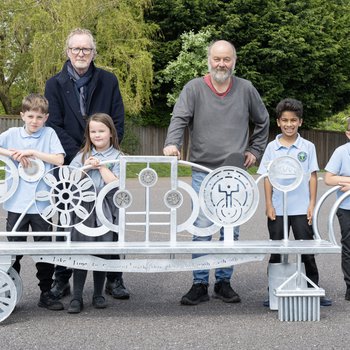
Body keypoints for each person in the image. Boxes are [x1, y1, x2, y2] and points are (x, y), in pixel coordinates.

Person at [163, 40, 270, 305]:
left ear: (234, 61)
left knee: (230, 229)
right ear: (208, 60)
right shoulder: (194, 88)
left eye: (227, 59)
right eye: (217, 59)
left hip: (234, 173)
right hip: (202, 169)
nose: (221, 64)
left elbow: (263, 120)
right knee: (201, 228)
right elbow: (179, 118)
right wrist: (172, 143)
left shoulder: (246, 89)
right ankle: (199, 283)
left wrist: (255, 150)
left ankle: (224, 281)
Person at [45, 28, 128, 300]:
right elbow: (54, 124)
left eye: (86, 49)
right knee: (68, 220)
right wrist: (80, 154)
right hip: (72, 161)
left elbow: (116, 119)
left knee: (111, 219)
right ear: (67, 52)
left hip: (105, 156)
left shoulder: (108, 80)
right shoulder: (54, 84)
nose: (81, 54)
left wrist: (106, 151)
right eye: (76, 49)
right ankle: (62, 277)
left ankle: (114, 278)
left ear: (94, 53)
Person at [257, 98, 332, 307]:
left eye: (293, 120)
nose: (289, 124)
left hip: (301, 209)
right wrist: (269, 205)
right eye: (285, 120)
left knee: (307, 251)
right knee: (278, 251)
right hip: (279, 210)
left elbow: (312, 176)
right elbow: (266, 177)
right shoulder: (272, 148)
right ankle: (273, 291)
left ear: (300, 122)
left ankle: (313, 290)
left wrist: (312, 204)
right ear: (279, 122)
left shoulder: (307, 147)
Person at [0, 93, 65, 310]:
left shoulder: (49, 134)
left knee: (45, 251)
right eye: (30, 116)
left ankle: (46, 294)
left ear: (45, 118)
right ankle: (10, 292)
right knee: (13, 253)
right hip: (16, 204)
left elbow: (59, 159)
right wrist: (13, 154)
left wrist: (34, 152)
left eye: (39, 117)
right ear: (22, 116)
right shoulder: (11, 134)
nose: (34, 121)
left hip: (42, 204)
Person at [67, 113, 122, 313]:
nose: (97, 135)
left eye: (101, 131)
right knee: (81, 252)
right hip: (84, 209)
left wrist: (100, 167)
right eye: (93, 131)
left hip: (106, 210)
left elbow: (116, 184)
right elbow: (70, 179)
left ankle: (98, 294)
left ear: (110, 133)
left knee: (102, 253)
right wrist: (86, 166)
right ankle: (76, 297)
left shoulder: (118, 156)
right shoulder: (82, 155)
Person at [324, 117, 350, 302]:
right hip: (346, 207)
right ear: (348, 134)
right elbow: (329, 179)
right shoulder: (341, 152)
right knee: (348, 247)